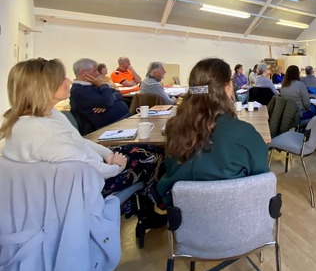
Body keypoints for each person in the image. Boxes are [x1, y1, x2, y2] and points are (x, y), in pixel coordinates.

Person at [0, 58, 165, 221]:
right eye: (62, 78)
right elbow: (84, 168)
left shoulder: (46, 116)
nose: (69, 80)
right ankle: (144, 209)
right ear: (44, 87)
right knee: (152, 156)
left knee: (147, 150)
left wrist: (107, 154)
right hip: (85, 186)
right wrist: (116, 166)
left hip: (85, 173)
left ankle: (142, 208)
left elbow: (78, 142)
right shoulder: (43, 131)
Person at [157, 58, 269, 205]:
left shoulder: (173, 128)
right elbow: (262, 181)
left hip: (185, 218)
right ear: (228, 88)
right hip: (238, 216)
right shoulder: (245, 133)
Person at [70, 58, 130, 130]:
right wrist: (102, 85)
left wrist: (109, 98)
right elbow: (107, 102)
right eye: (95, 70)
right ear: (84, 73)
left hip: (122, 121)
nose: (98, 73)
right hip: (109, 128)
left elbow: (118, 93)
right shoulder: (79, 91)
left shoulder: (93, 84)